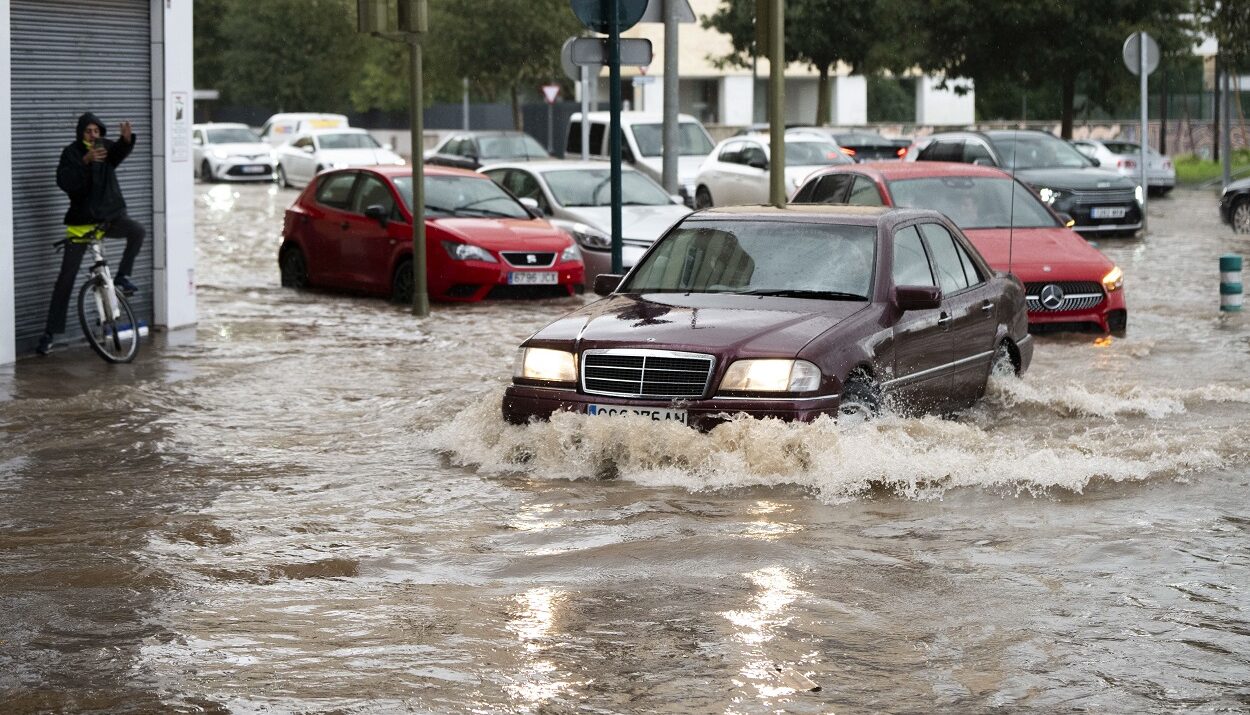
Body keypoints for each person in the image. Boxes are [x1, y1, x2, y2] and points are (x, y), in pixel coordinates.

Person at [36, 112, 144, 355]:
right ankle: (49, 334)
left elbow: (117, 155)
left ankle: (122, 278)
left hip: (107, 219)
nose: (93, 135)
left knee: (137, 231)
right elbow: (65, 182)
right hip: (81, 224)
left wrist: (126, 141)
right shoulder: (71, 153)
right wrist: (85, 160)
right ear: (81, 133)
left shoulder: (105, 148)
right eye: (89, 131)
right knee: (66, 279)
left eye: (97, 131)